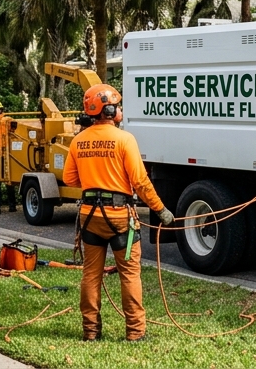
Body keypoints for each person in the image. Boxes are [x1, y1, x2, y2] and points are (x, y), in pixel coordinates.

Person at [62, 83, 175, 342]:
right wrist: (161, 210)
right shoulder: (125, 139)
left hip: (90, 217)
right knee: (129, 274)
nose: (120, 109)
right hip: (120, 217)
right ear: (110, 109)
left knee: (91, 274)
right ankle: (135, 332)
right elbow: (141, 182)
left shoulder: (79, 141)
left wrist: (94, 180)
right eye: (118, 105)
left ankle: (91, 332)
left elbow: (69, 178)